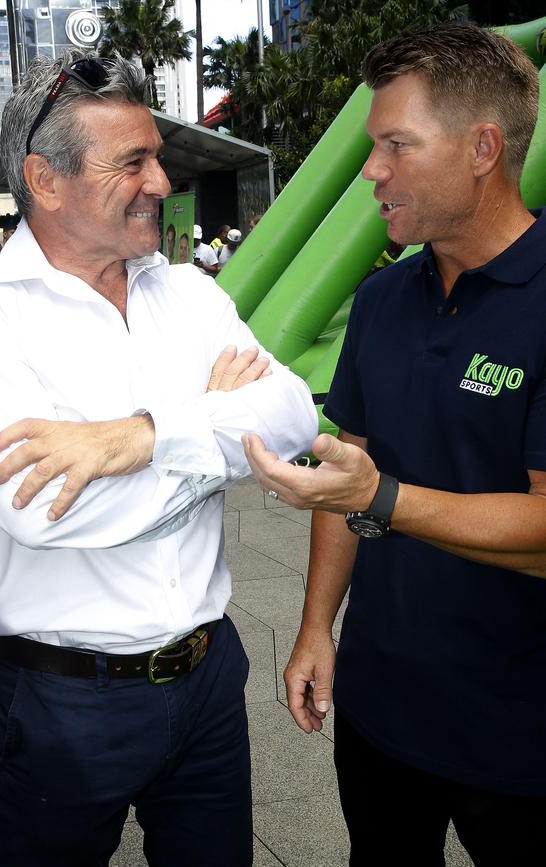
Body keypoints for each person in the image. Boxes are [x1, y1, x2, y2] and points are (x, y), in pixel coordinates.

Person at [0, 50, 317, 867]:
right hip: (61, 700)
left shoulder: (190, 294)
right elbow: (45, 511)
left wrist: (134, 438)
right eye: (132, 161)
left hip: (208, 679)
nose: (162, 182)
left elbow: (291, 418)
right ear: (45, 178)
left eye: (157, 156)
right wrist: (214, 437)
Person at [243, 22, 546, 867]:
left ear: (483, 147)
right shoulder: (380, 298)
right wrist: (314, 629)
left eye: (396, 146)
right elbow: (350, 465)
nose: (371, 169)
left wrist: (382, 499)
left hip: (520, 732)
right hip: (382, 711)